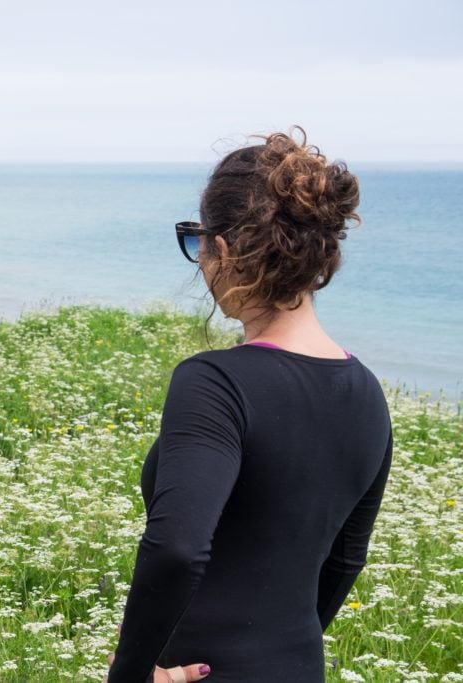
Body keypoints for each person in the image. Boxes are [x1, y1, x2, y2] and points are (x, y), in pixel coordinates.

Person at [103, 126, 394, 682]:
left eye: (198, 243)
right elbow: (344, 559)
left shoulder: (213, 382)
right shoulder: (369, 392)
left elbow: (179, 547)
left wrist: (132, 674)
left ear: (225, 249)